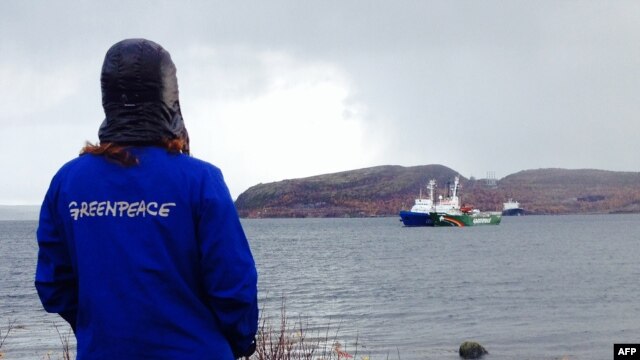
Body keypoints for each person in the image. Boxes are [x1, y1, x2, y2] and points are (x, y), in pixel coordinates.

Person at [35, 38, 258, 359]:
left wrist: (102, 330)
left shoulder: (68, 182)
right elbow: (234, 286)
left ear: (108, 97)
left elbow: (54, 284)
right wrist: (239, 342)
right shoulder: (201, 180)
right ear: (169, 97)